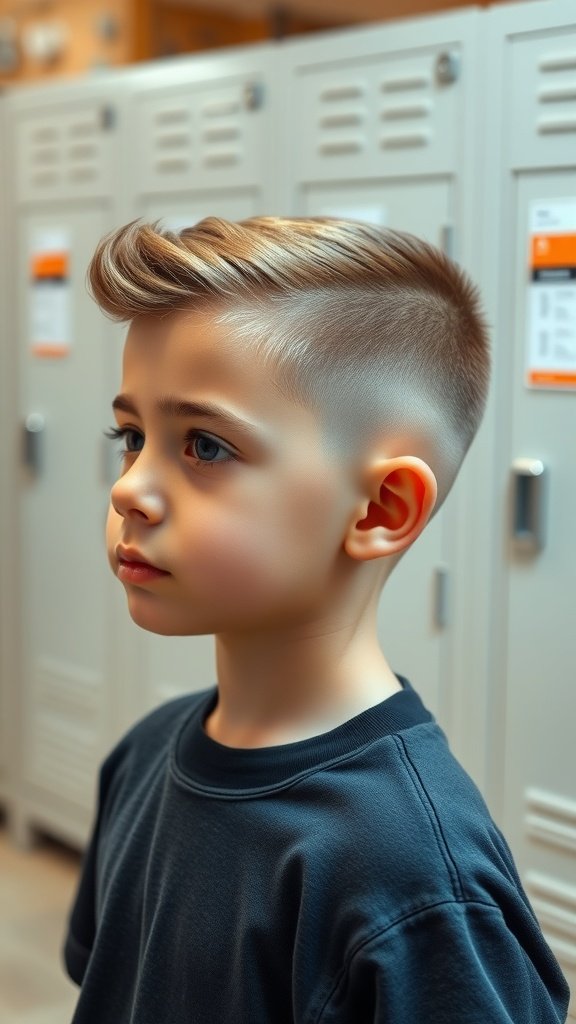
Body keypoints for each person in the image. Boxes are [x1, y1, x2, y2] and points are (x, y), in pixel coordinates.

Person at [63, 216, 570, 1023]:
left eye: (203, 446)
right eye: (132, 436)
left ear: (379, 507)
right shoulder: (148, 752)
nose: (130, 489)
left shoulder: (413, 879)